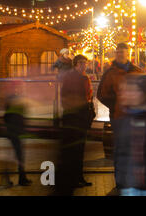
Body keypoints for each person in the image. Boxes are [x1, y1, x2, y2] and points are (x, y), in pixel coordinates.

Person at [114, 74, 146, 196]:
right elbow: (119, 153)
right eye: (125, 91)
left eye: (131, 91)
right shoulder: (123, 121)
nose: (126, 94)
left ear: (142, 94)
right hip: (129, 185)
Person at [55, 55, 94, 195]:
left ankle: (78, 177)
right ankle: (73, 178)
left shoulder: (85, 78)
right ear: (76, 64)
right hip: (74, 118)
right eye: (81, 63)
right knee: (75, 150)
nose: (84, 65)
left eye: (85, 63)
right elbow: (66, 97)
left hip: (81, 117)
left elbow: (88, 96)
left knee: (80, 149)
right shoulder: (72, 78)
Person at [97, 43, 142, 122]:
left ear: (127, 53)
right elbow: (101, 94)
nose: (119, 54)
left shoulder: (137, 71)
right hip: (117, 116)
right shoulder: (109, 73)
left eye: (121, 52)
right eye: (117, 52)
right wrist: (115, 106)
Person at [3, 81, 32, 186]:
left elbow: (7, 116)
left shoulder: (16, 99)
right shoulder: (14, 99)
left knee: (16, 156)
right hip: (15, 131)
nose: (22, 88)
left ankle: (15, 178)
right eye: (21, 87)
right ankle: (20, 179)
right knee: (18, 156)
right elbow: (10, 116)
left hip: (16, 131)